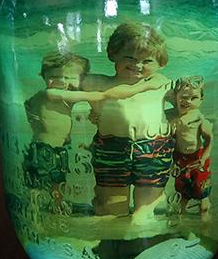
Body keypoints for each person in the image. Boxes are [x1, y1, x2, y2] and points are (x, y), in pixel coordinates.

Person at [23, 51, 161, 210]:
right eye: (54, 76)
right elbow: (99, 96)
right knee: (40, 182)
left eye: (68, 77)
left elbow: (35, 107)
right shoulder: (52, 93)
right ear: (43, 76)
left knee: (57, 181)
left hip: (57, 149)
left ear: (80, 80)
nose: (61, 81)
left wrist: (93, 114)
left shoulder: (59, 96)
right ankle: (35, 207)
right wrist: (142, 87)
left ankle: (54, 207)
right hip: (44, 149)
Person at [82, 22, 175, 222]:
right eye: (129, 58)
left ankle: (150, 205)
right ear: (113, 54)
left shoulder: (162, 84)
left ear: (160, 63)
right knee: (111, 211)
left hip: (153, 148)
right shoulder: (98, 83)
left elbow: (188, 105)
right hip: (111, 148)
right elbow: (67, 83)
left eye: (147, 61)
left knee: (142, 217)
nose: (137, 65)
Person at [169, 76, 213, 219]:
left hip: (197, 157)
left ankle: (205, 213)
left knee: (201, 189)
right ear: (175, 98)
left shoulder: (199, 120)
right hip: (180, 159)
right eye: (184, 97)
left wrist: (204, 158)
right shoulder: (172, 118)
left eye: (194, 98)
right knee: (182, 189)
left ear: (201, 100)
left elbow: (209, 140)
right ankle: (181, 217)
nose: (188, 101)